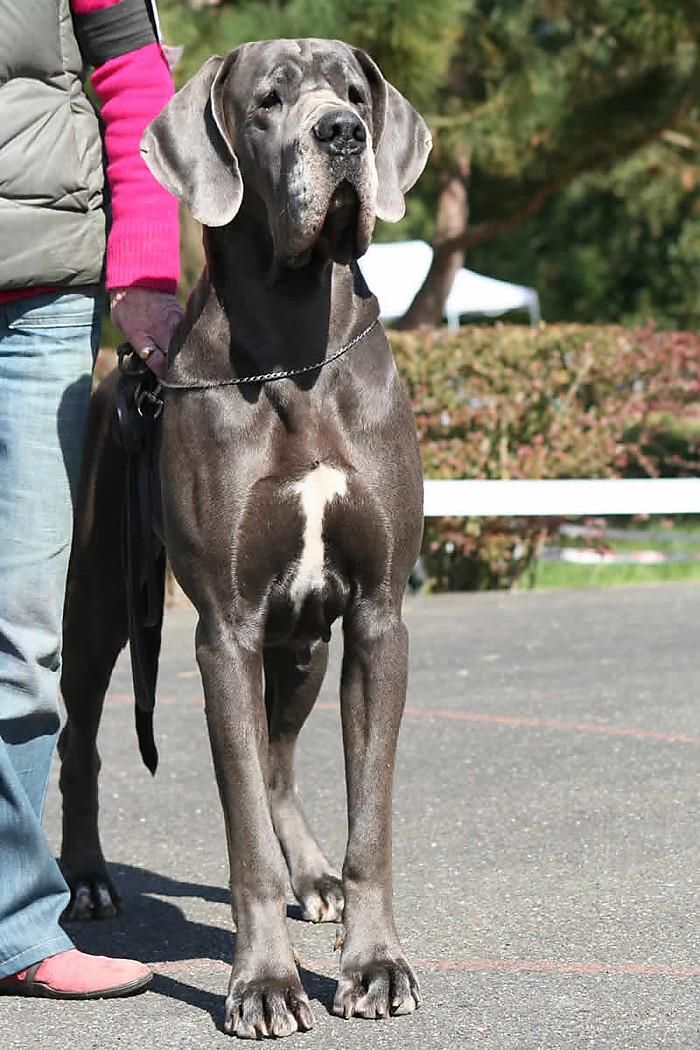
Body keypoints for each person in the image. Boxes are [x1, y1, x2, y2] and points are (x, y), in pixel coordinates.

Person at [0, 0, 182, 998]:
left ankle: (16, 929)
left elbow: (132, 76)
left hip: (37, 305)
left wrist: (147, 268)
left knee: (24, 635)